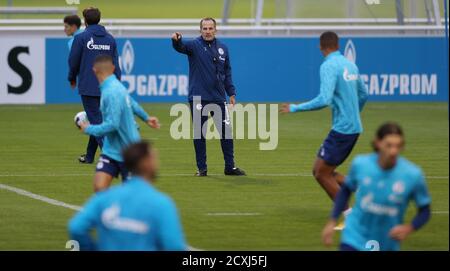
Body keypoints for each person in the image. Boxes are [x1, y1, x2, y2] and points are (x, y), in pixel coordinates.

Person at [280, 31, 368, 229]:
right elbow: (364, 94)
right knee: (323, 170)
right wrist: (354, 113)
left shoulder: (328, 65)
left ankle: (350, 216)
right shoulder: (350, 64)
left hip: (343, 129)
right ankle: (360, 189)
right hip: (352, 127)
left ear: (321, 47)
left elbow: (324, 99)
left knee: (321, 173)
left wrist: (295, 107)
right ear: (338, 45)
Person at [321, 122, 432, 251]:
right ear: (378, 143)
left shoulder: (412, 175)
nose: (393, 151)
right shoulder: (361, 164)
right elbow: (345, 191)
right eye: (389, 145)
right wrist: (332, 220)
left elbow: (425, 210)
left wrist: (409, 228)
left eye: (398, 146)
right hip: (355, 236)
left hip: (387, 240)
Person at [68, 141, 187, 251]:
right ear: (146, 163)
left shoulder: (104, 198)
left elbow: (76, 227)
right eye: (154, 157)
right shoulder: (162, 204)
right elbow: (174, 246)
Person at [171, 17, 246, 177]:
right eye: (204, 28)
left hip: (218, 97)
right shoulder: (193, 45)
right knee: (200, 133)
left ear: (215, 30)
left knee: (226, 132)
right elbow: (180, 47)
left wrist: (231, 92)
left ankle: (230, 167)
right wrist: (176, 41)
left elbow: (227, 73)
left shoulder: (223, 48)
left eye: (210, 28)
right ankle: (202, 168)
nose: (207, 31)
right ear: (200, 30)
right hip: (198, 97)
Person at [79, 55, 160, 192]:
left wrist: (88, 128)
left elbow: (113, 124)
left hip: (129, 152)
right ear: (113, 68)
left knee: (130, 195)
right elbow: (132, 103)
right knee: (99, 187)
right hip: (111, 150)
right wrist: (146, 118)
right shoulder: (116, 86)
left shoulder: (111, 92)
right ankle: (111, 210)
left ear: (94, 70)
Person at [68, 7, 121, 164]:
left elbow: (73, 61)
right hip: (108, 87)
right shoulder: (110, 39)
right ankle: (90, 156)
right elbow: (116, 65)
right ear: (99, 19)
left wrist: (71, 77)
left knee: (96, 121)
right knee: (97, 119)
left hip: (89, 87)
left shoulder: (81, 38)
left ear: (85, 21)